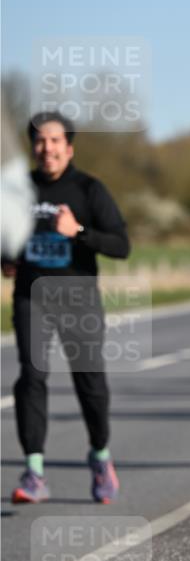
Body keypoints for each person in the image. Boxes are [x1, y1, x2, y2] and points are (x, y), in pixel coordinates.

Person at [3, 112, 130, 504]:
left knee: (89, 383)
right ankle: (35, 470)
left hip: (79, 300)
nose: (47, 148)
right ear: (33, 147)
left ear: (68, 147)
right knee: (31, 375)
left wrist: (76, 231)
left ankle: (99, 455)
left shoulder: (89, 189)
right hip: (32, 297)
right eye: (40, 141)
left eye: (55, 141)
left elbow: (121, 246)